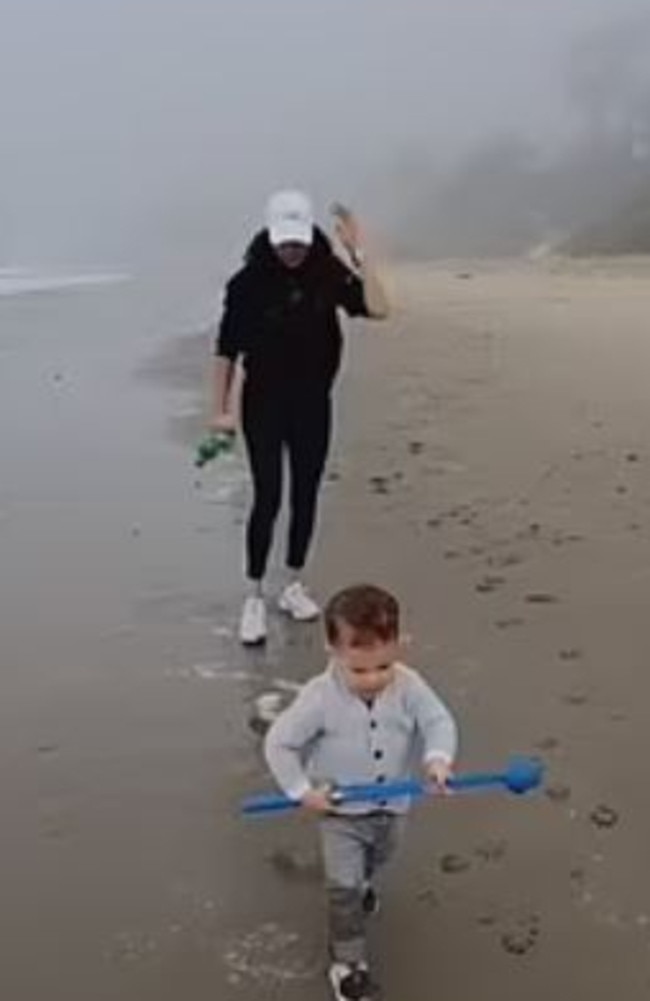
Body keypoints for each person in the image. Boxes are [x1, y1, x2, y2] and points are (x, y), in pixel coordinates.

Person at [210, 191, 390, 645]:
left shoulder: (326, 272)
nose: (292, 251)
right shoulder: (247, 283)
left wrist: (359, 252)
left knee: (306, 493)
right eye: (284, 243)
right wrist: (221, 410)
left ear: (310, 233)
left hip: (312, 401)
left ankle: (292, 583)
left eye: (299, 242)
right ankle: (254, 596)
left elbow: (379, 308)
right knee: (268, 496)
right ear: (270, 236)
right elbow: (226, 351)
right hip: (263, 403)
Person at [264, 584, 458, 1001]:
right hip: (339, 813)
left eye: (383, 666)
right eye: (359, 670)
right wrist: (301, 791)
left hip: (394, 806)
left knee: (380, 857)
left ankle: (366, 882)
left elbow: (437, 720)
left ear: (398, 646)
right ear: (332, 651)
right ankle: (348, 963)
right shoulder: (318, 698)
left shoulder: (409, 686)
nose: (373, 680)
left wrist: (438, 759)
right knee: (343, 888)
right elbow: (279, 743)